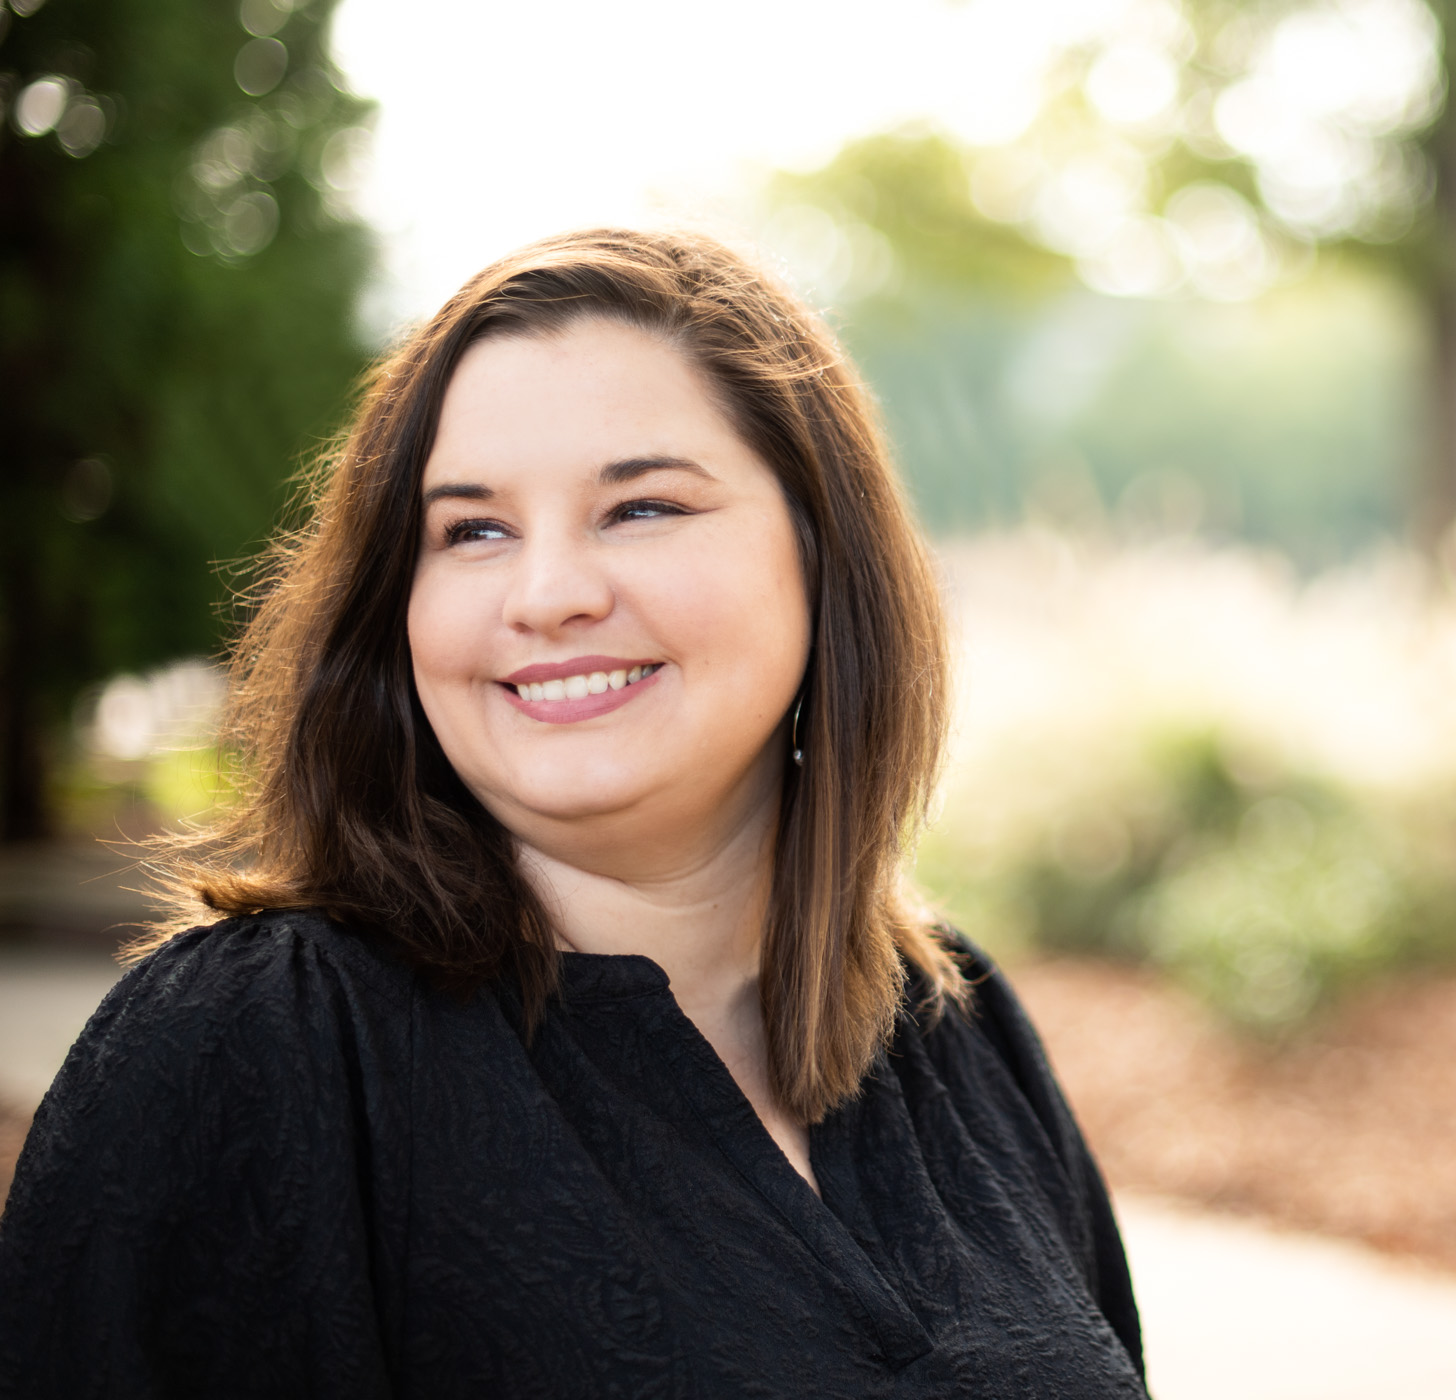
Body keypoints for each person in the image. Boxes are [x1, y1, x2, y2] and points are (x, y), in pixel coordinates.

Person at [0, 229, 1147, 1397]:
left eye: (641, 506)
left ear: (822, 552)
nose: (547, 595)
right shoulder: (252, 1047)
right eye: (473, 530)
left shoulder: (955, 1023)